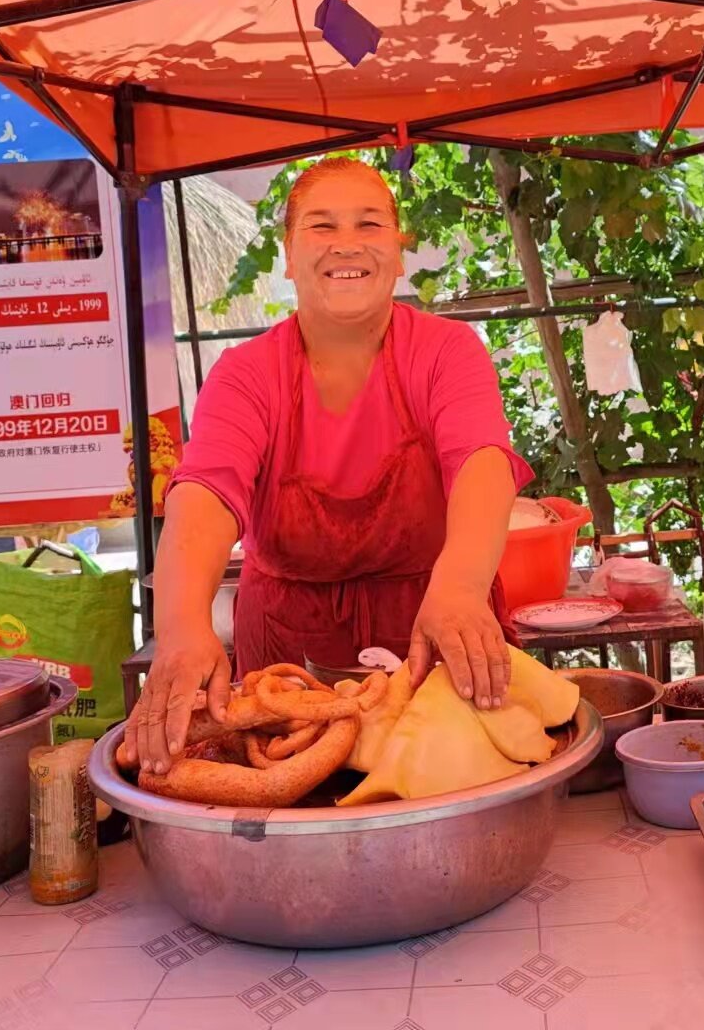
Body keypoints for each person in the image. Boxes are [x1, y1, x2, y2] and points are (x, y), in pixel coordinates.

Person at [126, 155, 533, 775]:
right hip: (287, 645)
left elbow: (482, 462)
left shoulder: (449, 351)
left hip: (431, 625)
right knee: (291, 800)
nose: (348, 244)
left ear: (398, 251)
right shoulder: (244, 375)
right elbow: (205, 492)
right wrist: (181, 628)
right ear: (288, 255)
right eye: (321, 226)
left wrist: (459, 587)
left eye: (370, 225)